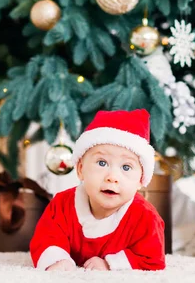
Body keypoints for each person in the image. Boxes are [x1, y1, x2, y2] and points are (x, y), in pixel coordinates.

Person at [30, 109, 166, 271]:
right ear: (80, 169)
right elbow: (46, 238)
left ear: (141, 179)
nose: (112, 176)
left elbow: (152, 260)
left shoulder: (145, 218)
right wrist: (57, 260)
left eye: (126, 167)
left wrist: (111, 264)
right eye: (102, 163)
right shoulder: (62, 205)